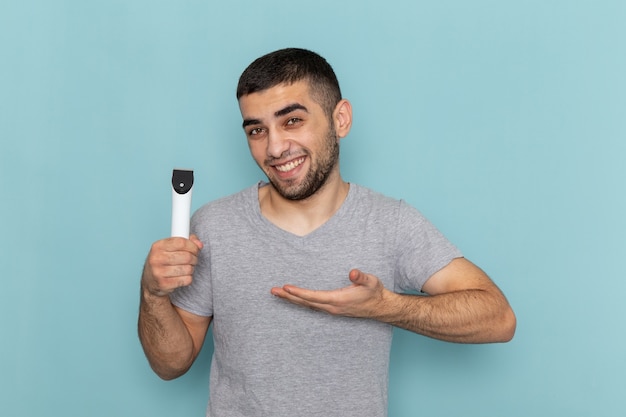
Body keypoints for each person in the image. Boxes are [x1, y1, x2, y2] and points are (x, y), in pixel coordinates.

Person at [138, 47, 516, 417]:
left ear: (341, 119)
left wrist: (386, 307)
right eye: (256, 129)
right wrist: (152, 293)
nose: (275, 147)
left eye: (292, 121)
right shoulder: (213, 226)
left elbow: (498, 318)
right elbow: (171, 364)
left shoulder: (391, 223)